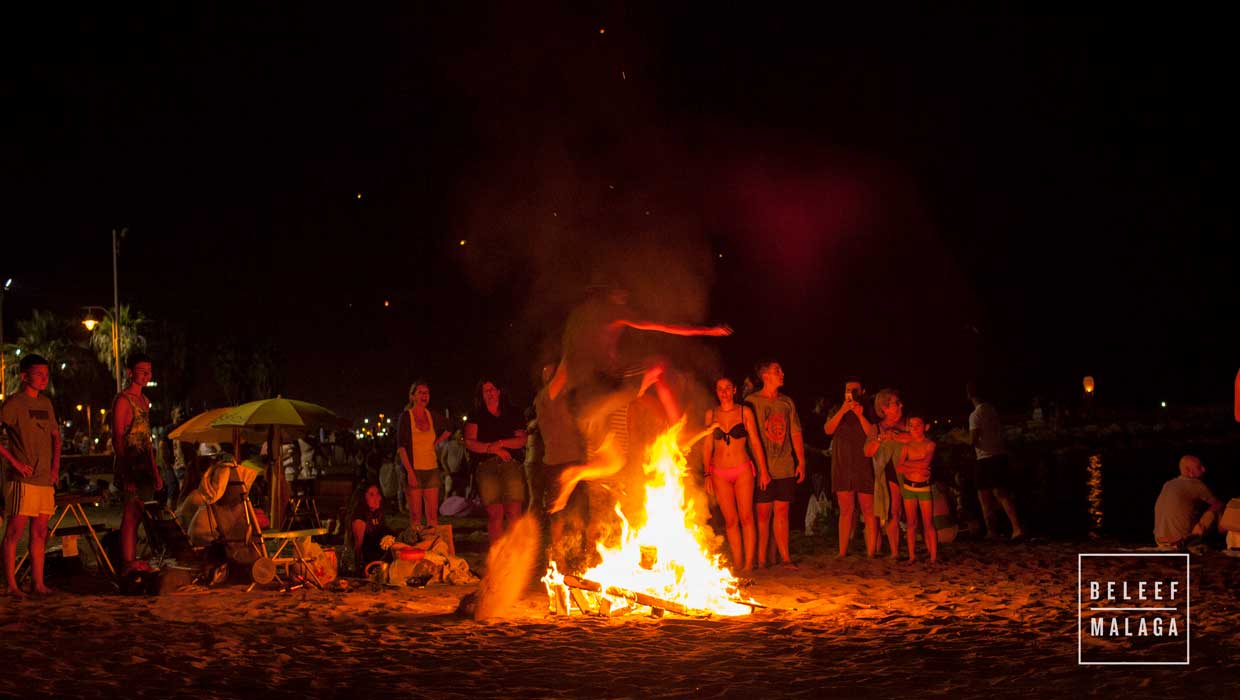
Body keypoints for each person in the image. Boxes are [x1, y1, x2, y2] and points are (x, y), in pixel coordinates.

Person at [0, 354, 61, 596]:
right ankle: (12, 585)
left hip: (45, 479)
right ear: (24, 376)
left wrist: (55, 468)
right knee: (14, 532)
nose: (44, 378)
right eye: (38, 374)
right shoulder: (14, 403)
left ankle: (38, 583)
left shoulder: (46, 403)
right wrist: (15, 462)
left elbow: (56, 437)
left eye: (46, 374)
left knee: (40, 532)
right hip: (22, 480)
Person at [703, 377, 768, 572]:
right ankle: (738, 563)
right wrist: (707, 474)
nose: (723, 392)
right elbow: (706, 445)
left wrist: (763, 470)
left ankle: (749, 564)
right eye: (720, 388)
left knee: (746, 517)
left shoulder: (744, 411)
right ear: (716, 391)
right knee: (730, 521)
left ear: (734, 390)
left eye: (727, 388)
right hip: (719, 471)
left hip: (742, 469)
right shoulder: (711, 414)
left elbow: (755, 442)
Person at [745, 360, 805, 569]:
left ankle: (785, 558)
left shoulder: (786, 402)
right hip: (762, 466)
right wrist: (760, 469)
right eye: (776, 371)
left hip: (785, 465)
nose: (782, 373)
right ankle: (761, 560)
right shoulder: (752, 402)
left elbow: (795, 432)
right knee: (762, 514)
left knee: (782, 513)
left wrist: (801, 461)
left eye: (781, 369)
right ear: (765, 376)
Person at [113, 353, 162, 572]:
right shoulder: (124, 400)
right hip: (130, 463)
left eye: (149, 371)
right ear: (130, 372)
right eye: (142, 371)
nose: (146, 375)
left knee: (143, 513)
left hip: (144, 463)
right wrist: (126, 473)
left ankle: (133, 558)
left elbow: (146, 439)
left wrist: (155, 470)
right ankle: (128, 561)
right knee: (131, 514)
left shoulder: (145, 401)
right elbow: (117, 436)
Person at [465, 379, 528, 544]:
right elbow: (470, 442)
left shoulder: (513, 412)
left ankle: (516, 552)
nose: (490, 393)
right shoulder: (476, 415)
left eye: (492, 389)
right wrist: (489, 449)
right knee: (495, 514)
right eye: (486, 391)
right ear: (482, 395)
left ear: (499, 391)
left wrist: (500, 444)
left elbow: (521, 440)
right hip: (486, 467)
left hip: (510, 464)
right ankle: (498, 554)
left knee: (514, 512)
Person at [824, 378, 877, 558]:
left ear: (862, 392)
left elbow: (873, 433)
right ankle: (842, 551)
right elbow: (828, 430)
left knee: (868, 509)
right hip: (842, 464)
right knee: (846, 509)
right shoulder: (837, 409)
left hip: (863, 464)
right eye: (848, 390)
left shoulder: (869, 409)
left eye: (855, 390)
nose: (851, 393)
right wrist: (843, 410)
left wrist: (860, 415)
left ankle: (871, 552)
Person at [967, 381, 1024, 541]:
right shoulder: (992, 410)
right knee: (1002, 495)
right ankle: (1016, 528)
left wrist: (959, 438)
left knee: (984, 497)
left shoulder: (975, 415)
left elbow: (973, 440)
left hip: (985, 459)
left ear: (969, 395)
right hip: (1000, 456)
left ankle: (992, 531)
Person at [396, 381, 451, 530]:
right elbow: (401, 447)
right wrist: (410, 472)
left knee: (432, 516)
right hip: (414, 470)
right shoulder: (406, 417)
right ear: (412, 396)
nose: (424, 395)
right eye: (420, 392)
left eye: (426, 393)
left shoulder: (432, 416)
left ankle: (431, 547)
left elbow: (450, 427)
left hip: (431, 470)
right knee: (415, 516)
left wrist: (438, 440)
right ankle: (417, 548)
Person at [864, 388, 910, 558]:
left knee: (911, 514)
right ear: (884, 407)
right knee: (894, 512)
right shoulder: (876, 428)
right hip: (888, 474)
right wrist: (880, 439)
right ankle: (895, 552)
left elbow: (918, 438)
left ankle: (912, 551)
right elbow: (867, 451)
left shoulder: (907, 424)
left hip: (910, 473)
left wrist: (896, 436)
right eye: (896, 403)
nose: (900, 405)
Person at [1154, 455, 1224, 550]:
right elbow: (1218, 504)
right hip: (1180, 540)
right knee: (1216, 508)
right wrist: (1220, 525)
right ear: (1189, 471)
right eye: (1199, 467)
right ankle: (1222, 533)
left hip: (1159, 539)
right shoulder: (1196, 485)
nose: (1204, 469)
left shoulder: (1168, 484)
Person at [895, 416, 938, 563]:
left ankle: (933, 556)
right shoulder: (907, 446)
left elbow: (926, 462)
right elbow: (899, 467)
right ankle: (912, 556)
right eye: (911, 425)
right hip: (909, 487)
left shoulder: (930, 444)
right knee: (911, 523)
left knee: (928, 523)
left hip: (923, 487)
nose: (914, 428)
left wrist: (909, 464)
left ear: (926, 427)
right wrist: (916, 465)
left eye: (918, 425)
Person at [351, 483, 394, 571]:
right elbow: (358, 547)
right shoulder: (360, 517)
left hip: (380, 555)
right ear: (363, 498)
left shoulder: (377, 513)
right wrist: (358, 569)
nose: (377, 498)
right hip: (369, 559)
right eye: (371, 495)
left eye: (378, 493)